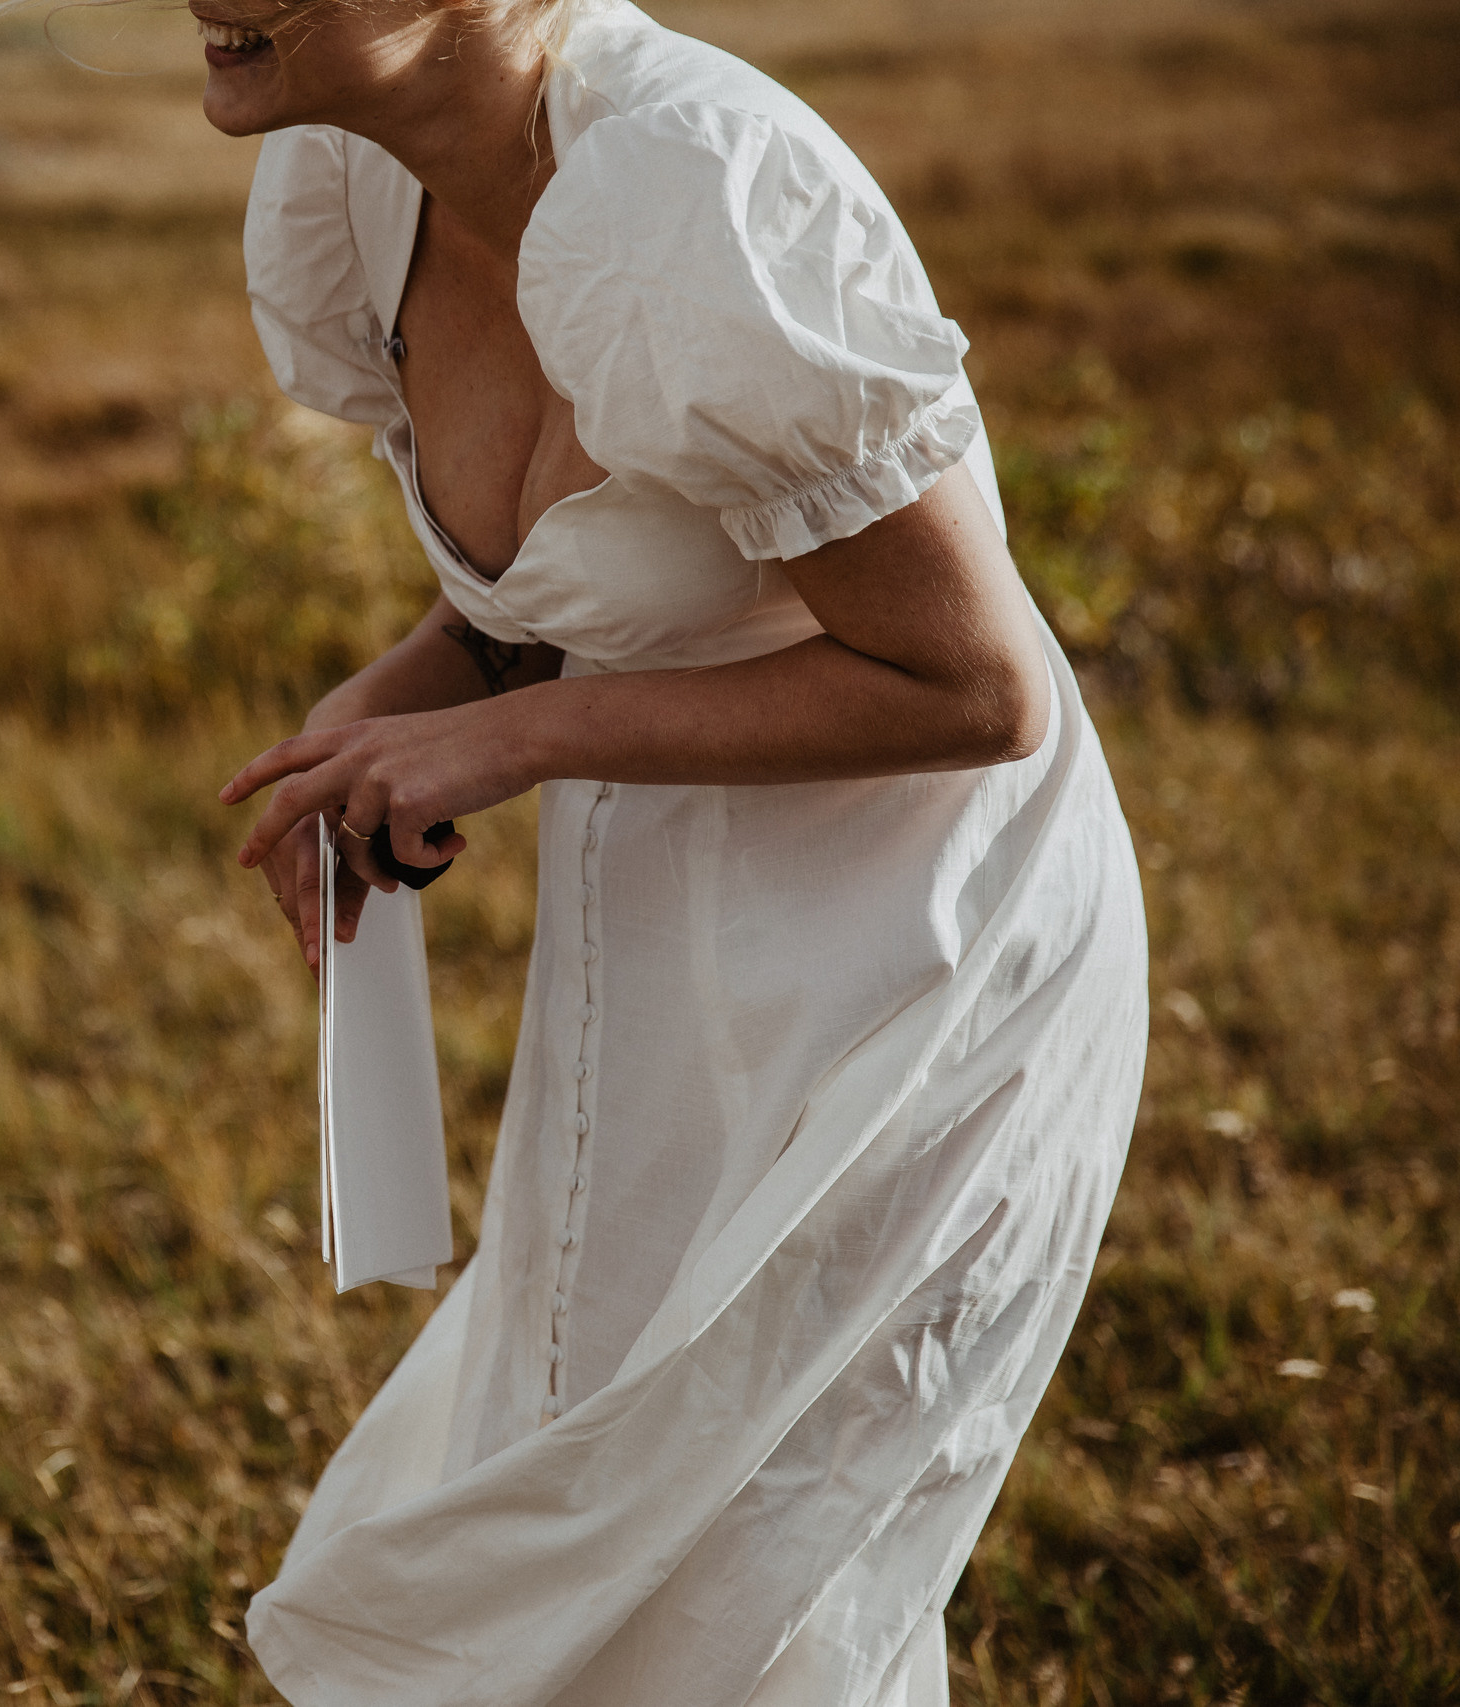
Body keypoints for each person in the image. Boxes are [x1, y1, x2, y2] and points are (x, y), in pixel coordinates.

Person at [203, 0, 1149, 1700]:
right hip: (652, 941)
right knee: (590, 1453)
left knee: (759, 1577)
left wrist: (517, 741)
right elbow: (585, 586)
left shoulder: (694, 192)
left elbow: (975, 686)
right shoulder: (359, 181)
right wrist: (390, 710)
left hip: (914, 959)